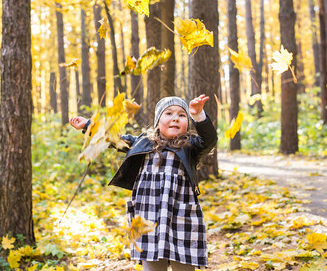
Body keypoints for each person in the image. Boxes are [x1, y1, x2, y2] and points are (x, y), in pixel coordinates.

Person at [69, 94, 217, 271]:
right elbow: (113, 138)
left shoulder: (190, 146)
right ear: (157, 121)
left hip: (181, 216)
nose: (175, 118)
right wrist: (87, 125)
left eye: (182, 115)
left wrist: (198, 114)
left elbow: (209, 140)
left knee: (184, 263)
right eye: (168, 113)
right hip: (148, 215)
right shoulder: (142, 142)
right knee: (152, 264)